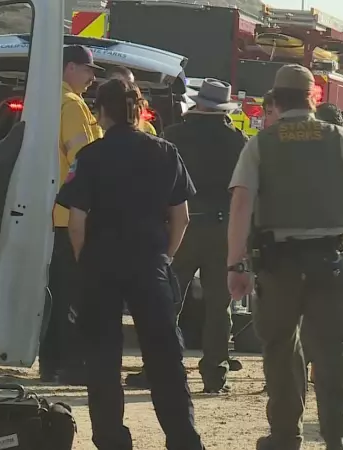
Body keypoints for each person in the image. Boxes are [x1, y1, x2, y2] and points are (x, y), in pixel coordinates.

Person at [226, 64, 343, 450]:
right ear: (314, 99)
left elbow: (242, 203)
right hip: (330, 263)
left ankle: (284, 437)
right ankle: (338, 441)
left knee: (280, 349)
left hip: (278, 264)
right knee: (332, 354)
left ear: (276, 101)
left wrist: (236, 263)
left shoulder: (261, 143)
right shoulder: (340, 138)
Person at [55, 78, 204, 450]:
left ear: (101, 111)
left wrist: (85, 259)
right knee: (165, 358)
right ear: (138, 111)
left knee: (103, 359)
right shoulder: (164, 152)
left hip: (101, 265)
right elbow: (181, 217)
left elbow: (76, 222)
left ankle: (111, 440)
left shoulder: (90, 157)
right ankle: (183, 439)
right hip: (148, 263)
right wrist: (164, 256)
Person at [125, 78, 248, 393]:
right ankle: (214, 374)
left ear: (198, 103)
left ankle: (159, 368)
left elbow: (154, 184)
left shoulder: (173, 136)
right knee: (219, 306)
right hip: (222, 229)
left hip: (179, 227)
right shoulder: (237, 141)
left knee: (166, 301)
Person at [39, 45, 104, 385]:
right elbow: (86, 158)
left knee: (58, 292)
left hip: (57, 213)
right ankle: (67, 365)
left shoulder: (50, 100)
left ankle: (52, 364)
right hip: (73, 216)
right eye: (87, 70)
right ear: (69, 68)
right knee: (73, 294)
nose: (92, 78)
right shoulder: (72, 106)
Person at [105, 65, 157, 136]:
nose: (125, 90)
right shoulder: (93, 122)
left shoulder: (147, 128)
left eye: (130, 86)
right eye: (117, 86)